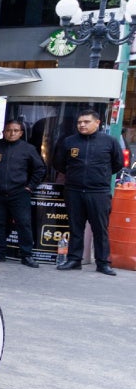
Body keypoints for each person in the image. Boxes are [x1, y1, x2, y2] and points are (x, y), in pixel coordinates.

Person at [52, 109, 125, 275]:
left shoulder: (109, 142)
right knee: (75, 227)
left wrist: (100, 175)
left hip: (98, 192)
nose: (82, 125)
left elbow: (117, 164)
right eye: (79, 122)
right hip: (74, 190)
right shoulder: (69, 141)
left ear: (97, 123)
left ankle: (103, 263)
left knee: (100, 229)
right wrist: (74, 175)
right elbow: (59, 163)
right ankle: (74, 260)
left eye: (86, 122)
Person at [0, 121, 45, 267]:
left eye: (15, 130)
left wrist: (30, 187)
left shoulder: (28, 149)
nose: (12, 133)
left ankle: (27, 255)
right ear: (3, 132)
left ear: (21, 133)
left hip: (19, 193)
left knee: (23, 224)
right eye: (8, 130)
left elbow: (40, 169)